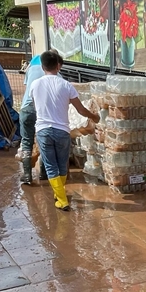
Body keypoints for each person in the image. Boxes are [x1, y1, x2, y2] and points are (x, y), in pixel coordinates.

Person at [30, 50, 97, 211]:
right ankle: (60, 195)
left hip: (43, 130)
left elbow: (35, 105)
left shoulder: (35, 84)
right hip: (62, 131)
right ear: (58, 66)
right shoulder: (66, 85)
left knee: (50, 165)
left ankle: (61, 198)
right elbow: (80, 109)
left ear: (42, 66)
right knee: (61, 164)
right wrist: (93, 116)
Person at [17, 51, 47, 185]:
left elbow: (27, 86)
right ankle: (44, 173)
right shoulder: (55, 73)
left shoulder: (31, 69)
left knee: (26, 142)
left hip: (26, 109)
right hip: (42, 110)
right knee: (44, 141)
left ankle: (27, 174)